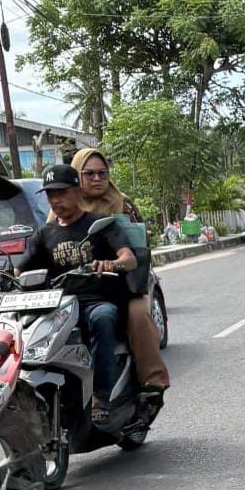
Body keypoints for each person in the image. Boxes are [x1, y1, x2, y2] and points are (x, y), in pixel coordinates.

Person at [20, 164, 136, 422]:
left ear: (77, 191)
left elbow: (129, 259)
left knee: (103, 319)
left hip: (95, 302)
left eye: (61, 192)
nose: (55, 200)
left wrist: (111, 264)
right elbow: (21, 270)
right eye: (50, 195)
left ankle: (101, 395)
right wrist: (0, 278)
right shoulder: (44, 234)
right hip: (59, 307)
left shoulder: (99, 225)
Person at [67, 149, 169, 423]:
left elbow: (139, 247)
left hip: (122, 283)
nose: (97, 179)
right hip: (80, 287)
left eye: (103, 173)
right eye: (89, 174)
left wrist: (114, 264)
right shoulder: (65, 209)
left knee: (137, 315)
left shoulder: (121, 204)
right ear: (77, 176)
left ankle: (153, 383)